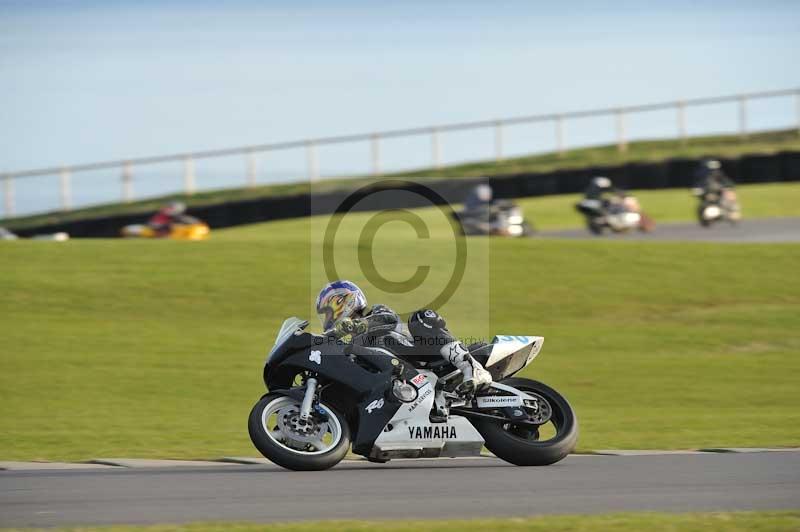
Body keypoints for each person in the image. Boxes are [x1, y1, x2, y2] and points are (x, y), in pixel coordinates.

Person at [315, 280, 492, 396]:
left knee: (421, 317)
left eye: (330, 309)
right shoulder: (353, 346)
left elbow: (389, 319)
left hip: (421, 355)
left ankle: (473, 368)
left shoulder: (377, 312)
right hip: (401, 382)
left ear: (345, 300)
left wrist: (356, 326)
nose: (329, 317)